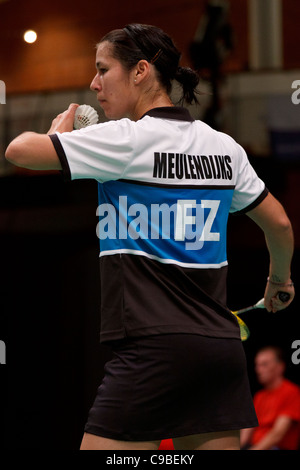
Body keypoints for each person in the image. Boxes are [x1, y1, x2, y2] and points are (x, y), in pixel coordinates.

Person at [5, 23, 295, 450]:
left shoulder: (122, 139)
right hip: (219, 352)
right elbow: (281, 224)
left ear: (140, 71)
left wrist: (57, 135)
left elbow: (17, 149)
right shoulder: (225, 148)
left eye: (103, 70)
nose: (93, 83)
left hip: (151, 353)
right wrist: (280, 280)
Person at [241, 346, 300, 450]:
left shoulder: (291, 392)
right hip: (253, 446)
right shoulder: (259, 396)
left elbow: (277, 434)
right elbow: (247, 431)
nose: (258, 370)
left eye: (264, 364)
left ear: (280, 367)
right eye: (257, 365)